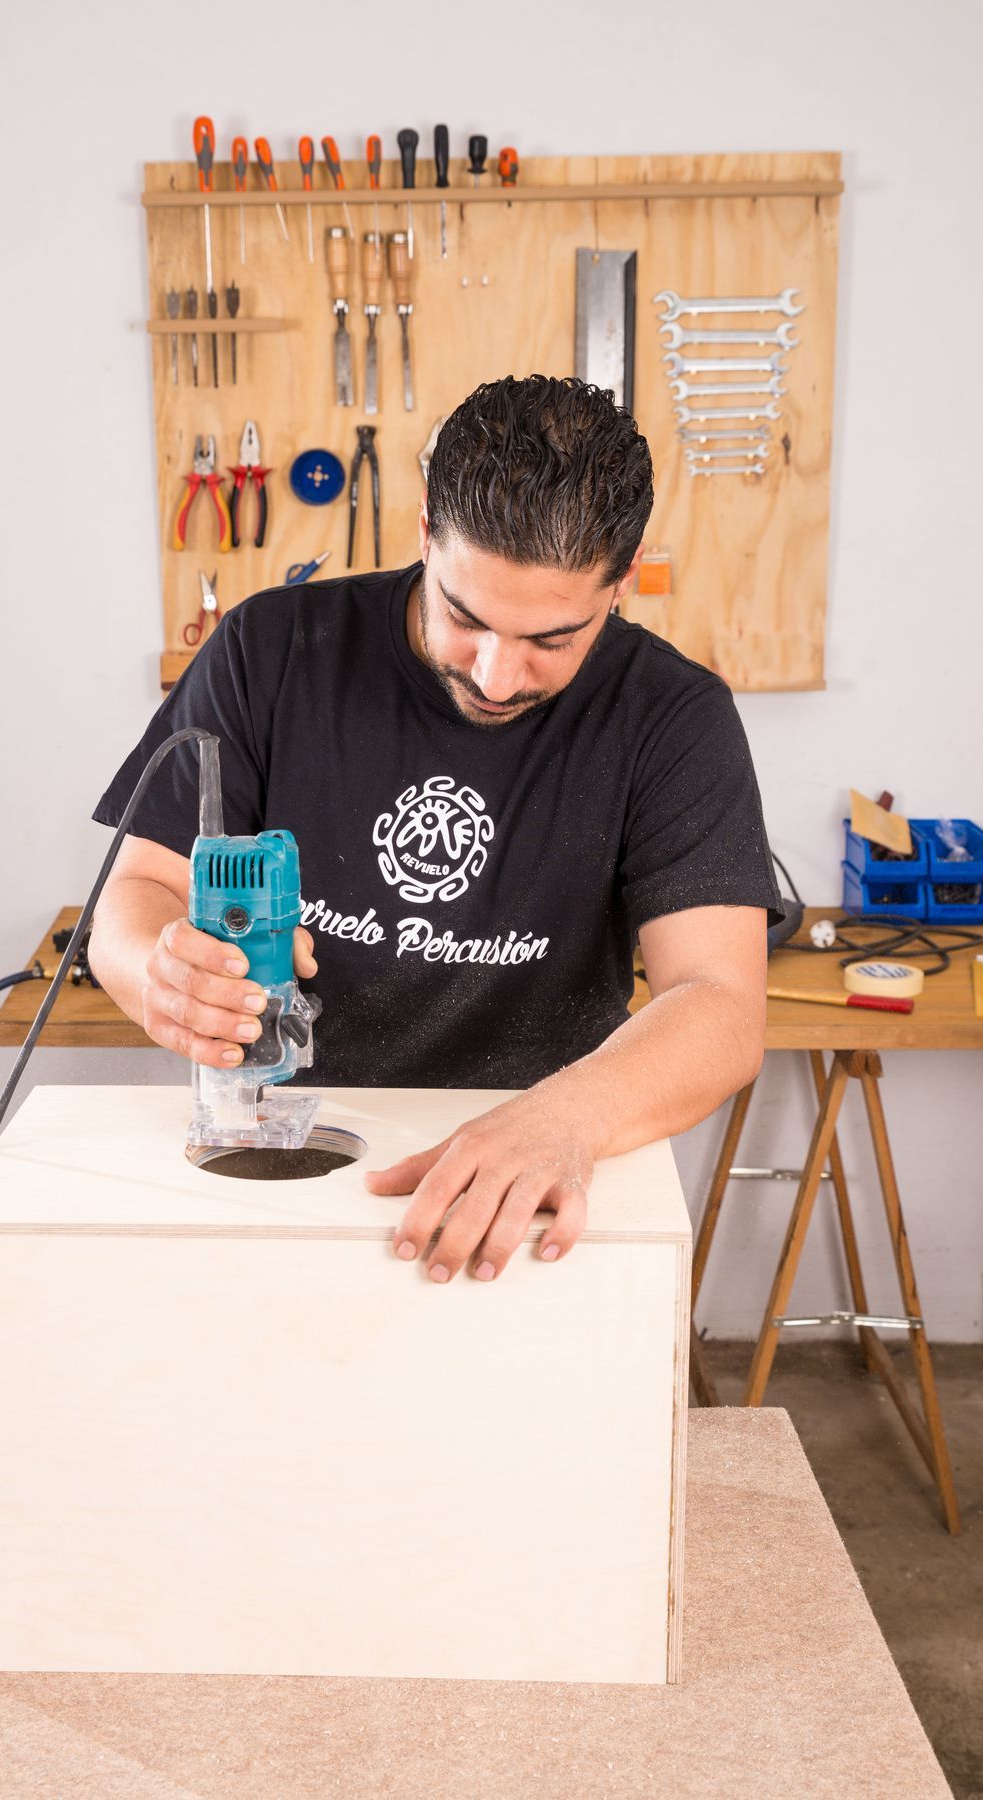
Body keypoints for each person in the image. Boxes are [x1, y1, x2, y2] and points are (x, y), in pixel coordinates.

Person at [89, 375, 781, 1285]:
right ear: (424, 531)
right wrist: (165, 976)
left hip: (536, 1171)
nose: (496, 677)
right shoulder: (271, 651)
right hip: (291, 1152)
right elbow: (136, 898)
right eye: (466, 616)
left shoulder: (672, 717)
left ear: (621, 577)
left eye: (552, 640)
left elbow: (722, 1008)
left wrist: (565, 1118)